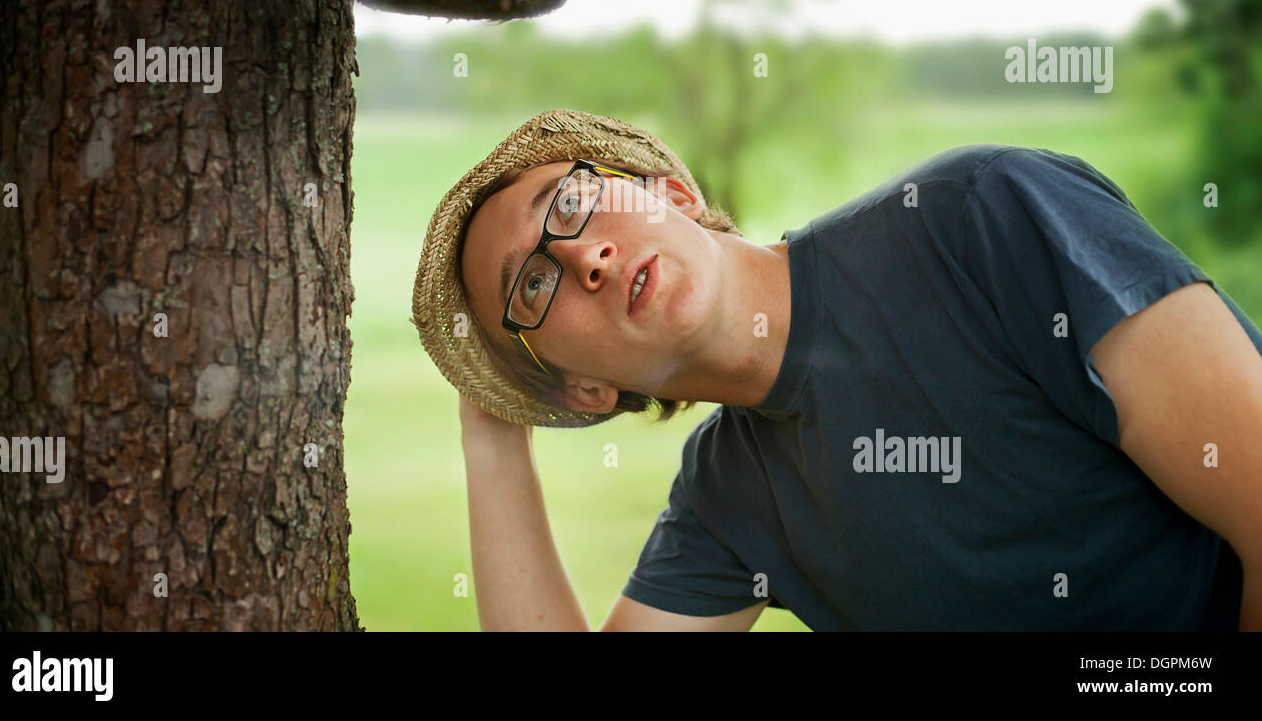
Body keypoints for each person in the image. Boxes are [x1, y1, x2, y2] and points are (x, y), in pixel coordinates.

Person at [410, 108, 1262, 631]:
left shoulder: (981, 218)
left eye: (572, 200)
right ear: (584, 393)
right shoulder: (728, 503)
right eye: (532, 285)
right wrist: (491, 429)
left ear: (668, 191)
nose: (580, 255)